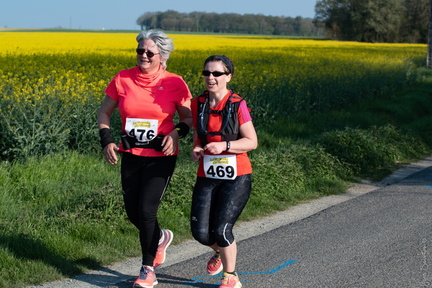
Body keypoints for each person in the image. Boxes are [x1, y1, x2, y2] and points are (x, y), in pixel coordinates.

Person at [97, 29, 192, 288]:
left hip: (161, 156)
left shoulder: (175, 82)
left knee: (147, 210)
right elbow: (104, 112)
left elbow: (188, 118)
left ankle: (147, 269)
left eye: (150, 52)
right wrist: (107, 140)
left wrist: (177, 132)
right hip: (130, 154)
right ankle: (160, 238)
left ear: (162, 55)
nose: (144, 56)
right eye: (140, 51)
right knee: (132, 212)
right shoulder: (123, 79)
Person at [190, 55, 258, 288]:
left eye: (217, 73)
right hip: (207, 174)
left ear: (228, 76)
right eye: (207, 73)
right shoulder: (197, 103)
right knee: (199, 232)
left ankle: (231, 277)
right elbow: (198, 135)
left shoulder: (237, 104)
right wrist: (197, 148)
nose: (211, 78)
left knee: (222, 228)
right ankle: (221, 251)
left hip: (236, 175)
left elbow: (251, 141)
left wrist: (225, 146)